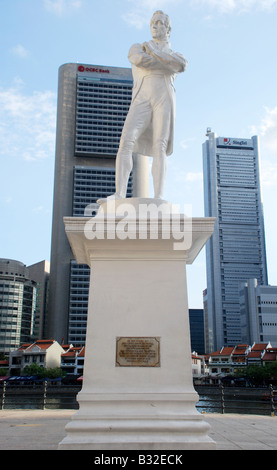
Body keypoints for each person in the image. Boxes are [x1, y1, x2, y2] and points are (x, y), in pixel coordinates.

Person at [97, 10, 187, 203]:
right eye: (153, 23)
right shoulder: (137, 47)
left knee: (159, 146)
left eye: (160, 23)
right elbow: (139, 60)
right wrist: (165, 63)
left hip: (163, 97)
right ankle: (119, 193)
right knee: (126, 141)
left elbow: (181, 65)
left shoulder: (175, 54)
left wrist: (154, 52)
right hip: (142, 98)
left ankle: (159, 197)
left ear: (168, 29)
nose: (155, 26)